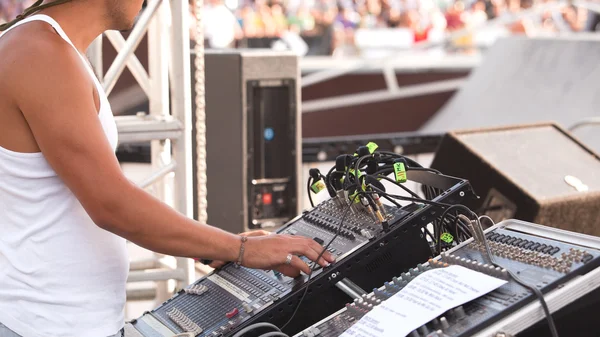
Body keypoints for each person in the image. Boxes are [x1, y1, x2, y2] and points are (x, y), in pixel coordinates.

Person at [0, 1, 335, 337]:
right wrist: (239, 248)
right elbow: (111, 204)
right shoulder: (43, 55)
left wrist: (214, 244)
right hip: (43, 324)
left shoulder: (47, 47)